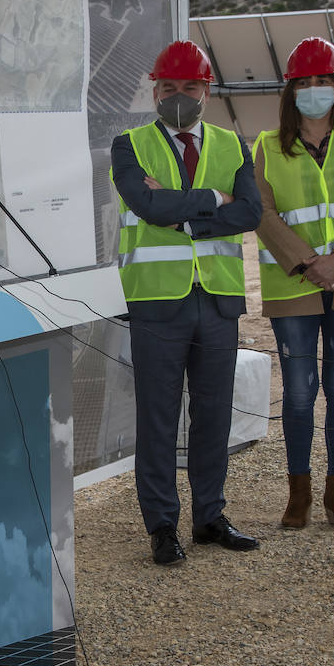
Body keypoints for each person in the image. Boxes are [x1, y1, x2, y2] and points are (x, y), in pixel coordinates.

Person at [110, 39, 264, 567]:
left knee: (214, 415)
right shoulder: (128, 144)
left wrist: (184, 215)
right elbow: (146, 204)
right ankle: (161, 526)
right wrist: (214, 201)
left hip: (217, 300)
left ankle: (209, 517)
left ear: (207, 91)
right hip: (156, 304)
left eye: (191, 87)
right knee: (157, 418)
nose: (180, 96)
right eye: (170, 87)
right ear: (154, 90)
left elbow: (250, 213)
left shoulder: (232, 144)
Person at [252, 38, 334, 531]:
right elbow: (262, 213)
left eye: (322, 81)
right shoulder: (267, 147)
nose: (314, 90)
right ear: (291, 92)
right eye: (304, 83)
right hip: (294, 285)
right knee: (299, 393)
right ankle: (299, 495)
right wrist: (309, 262)